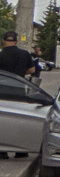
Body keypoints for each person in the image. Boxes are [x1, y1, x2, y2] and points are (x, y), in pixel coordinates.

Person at [0, 31, 36, 160]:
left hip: (2, 93)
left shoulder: (0, 55)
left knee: (3, 121)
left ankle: (2, 151)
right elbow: (32, 70)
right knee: (21, 120)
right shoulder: (24, 54)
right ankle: (21, 151)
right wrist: (20, 73)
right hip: (20, 91)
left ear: (4, 41)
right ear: (16, 41)